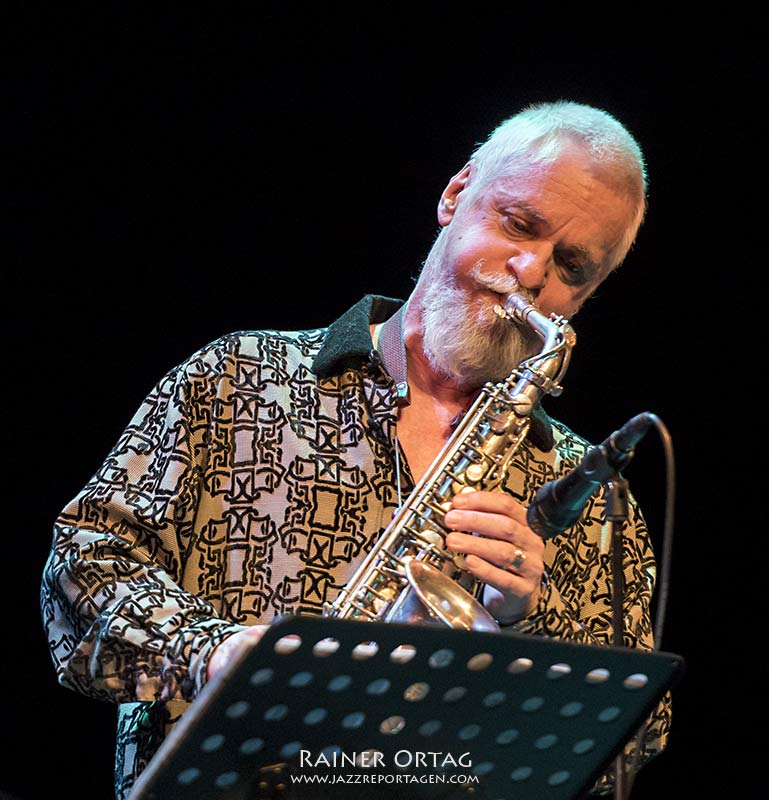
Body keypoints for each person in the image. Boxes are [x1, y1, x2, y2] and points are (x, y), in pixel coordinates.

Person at [41, 100, 671, 799]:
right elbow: (83, 565)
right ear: (455, 194)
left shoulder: (591, 498)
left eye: (570, 266)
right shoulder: (236, 379)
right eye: (517, 224)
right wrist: (212, 653)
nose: (528, 271)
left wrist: (530, 620)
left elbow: (630, 741)